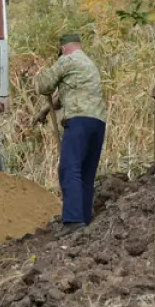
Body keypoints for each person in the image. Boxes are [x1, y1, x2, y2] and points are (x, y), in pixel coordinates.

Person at [34, 33, 107, 236]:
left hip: (78, 122)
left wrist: (39, 79)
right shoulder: (88, 64)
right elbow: (66, 94)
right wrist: (44, 112)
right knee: (86, 173)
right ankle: (84, 218)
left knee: (69, 169)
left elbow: (44, 85)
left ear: (64, 48)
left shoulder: (67, 59)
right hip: (98, 122)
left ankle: (73, 219)